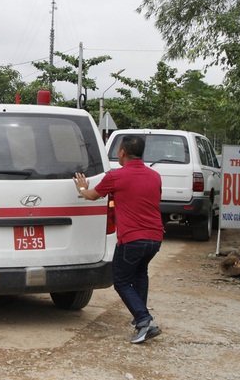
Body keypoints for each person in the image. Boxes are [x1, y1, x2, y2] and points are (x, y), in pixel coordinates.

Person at [74, 135, 164, 344]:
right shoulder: (155, 176)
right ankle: (140, 317)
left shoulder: (117, 176)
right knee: (140, 274)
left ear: (122, 152)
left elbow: (92, 196)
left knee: (122, 281)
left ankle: (144, 320)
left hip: (132, 239)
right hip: (155, 238)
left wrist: (81, 187)